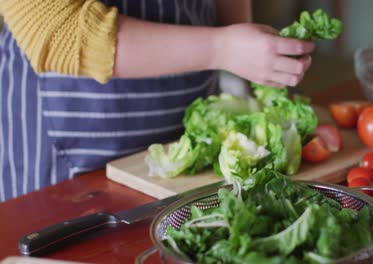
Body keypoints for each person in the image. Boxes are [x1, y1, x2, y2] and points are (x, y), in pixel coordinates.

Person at [0, 0, 315, 202]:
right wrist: (223, 49)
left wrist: (242, 62)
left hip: (188, 129)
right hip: (72, 146)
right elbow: (56, 32)